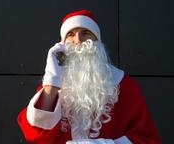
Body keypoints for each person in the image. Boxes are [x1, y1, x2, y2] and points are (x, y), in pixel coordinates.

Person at [17, 10, 161, 144]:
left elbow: (146, 139)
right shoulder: (53, 85)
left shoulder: (125, 85)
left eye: (85, 33)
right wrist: (52, 80)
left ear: (97, 41)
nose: (78, 40)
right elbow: (35, 135)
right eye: (70, 34)